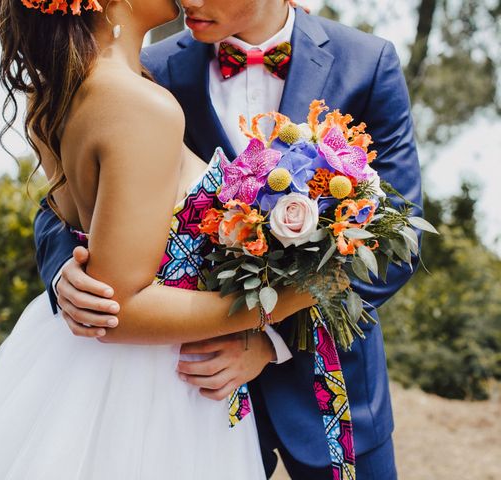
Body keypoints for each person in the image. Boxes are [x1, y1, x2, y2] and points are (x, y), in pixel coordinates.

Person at [0, 0, 320, 478]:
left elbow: (80, 231)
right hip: (145, 390)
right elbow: (119, 307)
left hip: (86, 360)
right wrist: (287, 299)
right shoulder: (139, 105)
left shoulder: (60, 93)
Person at [36, 1, 424, 479]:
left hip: (330, 391)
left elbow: (397, 235)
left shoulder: (367, 61)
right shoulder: (148, 70)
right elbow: (66, 198)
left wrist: (271, 342)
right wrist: (64, 271)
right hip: (190, 395)